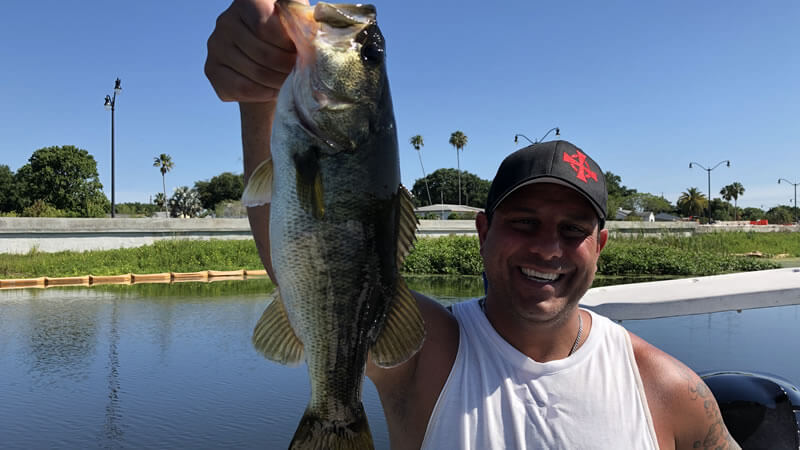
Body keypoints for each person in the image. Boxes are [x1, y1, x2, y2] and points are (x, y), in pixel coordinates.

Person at [205, 1, 740, 448]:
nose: (548, 249)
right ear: (483, 232)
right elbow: (308, 265)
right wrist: (258, 96)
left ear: (600, 244)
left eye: (573, 230)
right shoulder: (430, 356)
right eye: (525, 222)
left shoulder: (669, 390)